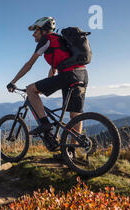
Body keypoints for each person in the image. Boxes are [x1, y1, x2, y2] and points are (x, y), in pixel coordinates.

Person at [7, 17, 88, 157]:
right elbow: (55, 67)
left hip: (68, 75)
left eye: (35, 31)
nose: (33, 34)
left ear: (43, 30)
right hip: (82, 74)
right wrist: (50, 81)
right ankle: (71, 153)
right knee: (75, 115)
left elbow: (29, 64)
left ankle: (44, 124)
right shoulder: (60, 40)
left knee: (31, 89)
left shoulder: (47, 39)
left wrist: (13, 81)